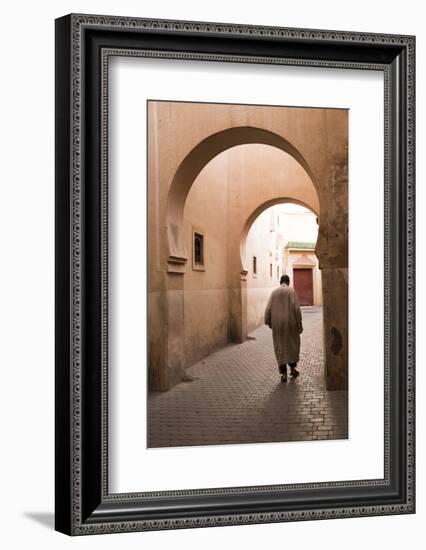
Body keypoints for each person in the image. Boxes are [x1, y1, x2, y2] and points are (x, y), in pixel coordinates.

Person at [264, 275, 303, 382]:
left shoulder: (274, 293)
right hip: (291, 324)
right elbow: (297, 309)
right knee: (292, 346)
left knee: (279, 347)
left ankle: (283, 374)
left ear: (280, 282)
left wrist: (268, 322)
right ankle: (293, 369)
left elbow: (268, 309)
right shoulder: (291, 292)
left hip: (277, 325)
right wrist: (299, 324)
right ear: (288, 282)